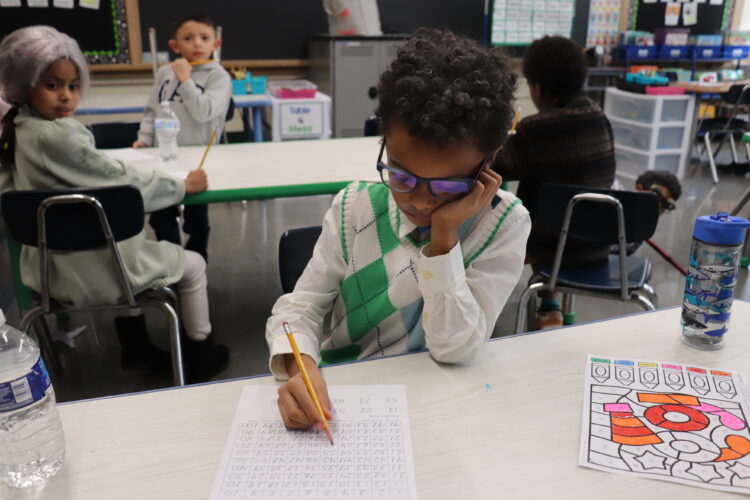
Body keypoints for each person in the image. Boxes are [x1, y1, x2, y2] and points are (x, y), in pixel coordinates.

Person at [266, 29, 530, 431]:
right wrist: (300, 367)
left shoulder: (504, 224)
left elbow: (454, 348)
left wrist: (443, 242)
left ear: (489, 160)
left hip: (439, 410)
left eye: (447, 186)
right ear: (384, 141)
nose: (421, 202)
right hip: (345, 398)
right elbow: (298, 308)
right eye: (402, 177)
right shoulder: (355, 206)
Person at [0, 25, 227, 382]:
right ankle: (202, 352)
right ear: (25, 83)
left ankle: (135, 349)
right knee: (194, 264)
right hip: (95, 271)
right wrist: (182, 186)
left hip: (47, 269)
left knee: (122, 243)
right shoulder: (60, 135)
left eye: (73, 86)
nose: (66, 97)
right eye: (53, 85)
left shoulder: (18, 129)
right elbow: (126, 186)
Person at [493, 35, 616, 329]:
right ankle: (550, 303)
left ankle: (484, 301)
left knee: (503, 216)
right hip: (599, 243)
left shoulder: (535, 129)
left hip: (548, 249)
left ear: (536, 88)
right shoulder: (601, 118)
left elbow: (498, 165)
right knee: (559, 211)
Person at [133, 13, 232, 262]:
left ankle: (197, 260)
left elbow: (204, 112)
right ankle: (173, 262)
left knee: (197, 218)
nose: (197, 44)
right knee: (161, 214)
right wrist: (144, 138)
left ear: (215, 44)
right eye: (188, 38)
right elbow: (152, 109)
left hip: (198, 159)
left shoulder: (218, 76)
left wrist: (185, 78)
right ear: (175, 46)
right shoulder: (164, 72)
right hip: (164, 155)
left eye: (204, 38)